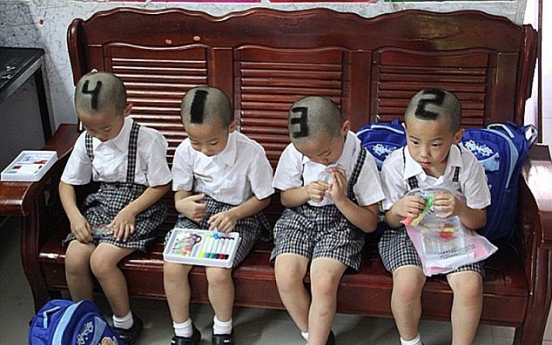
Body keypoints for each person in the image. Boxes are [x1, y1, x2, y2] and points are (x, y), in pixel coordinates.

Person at [60, 71, 172, 345]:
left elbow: (161, 185)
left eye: (106, 128)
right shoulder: (86, 141)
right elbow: (66, 184)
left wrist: (130, 210)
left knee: (101, 261)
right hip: (103, 203)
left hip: (142, 206)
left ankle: (125, 322)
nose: (99, 135)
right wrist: (75, 217)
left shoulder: (146, 139)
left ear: (127, 110)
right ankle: (86, 320)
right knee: (75, 257)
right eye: (89, 127)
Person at [378, 88, 492, 345]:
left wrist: (460, 209)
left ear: (456, 137)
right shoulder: (396, 165)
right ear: (405, 130)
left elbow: (479, 219)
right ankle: (410, 341)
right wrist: (398, 209)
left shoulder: (468, 165)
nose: (424, 154)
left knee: (471, 285)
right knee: (406, 284)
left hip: (454, 230)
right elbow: (389, 220)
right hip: (407, 234)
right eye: (414, 141)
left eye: (436, 144)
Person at [164, 86, 274, 345]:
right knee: (172, 267)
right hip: (198, 212)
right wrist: (183, 206)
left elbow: (264, 197)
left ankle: (223, 330)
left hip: (241, 215)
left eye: (213, 142)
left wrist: (234, 214)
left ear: (232, 126)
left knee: (217, 270)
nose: (204, 149)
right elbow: (180, 194)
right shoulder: (184, 151)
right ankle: (183, 331)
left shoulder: (251, 152)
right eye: (195, 141)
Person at [271, 96, 384, 345]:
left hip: (342, 224)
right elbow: (286, 199)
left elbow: (369, 223)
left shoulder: (360, 158)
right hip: (299, 217)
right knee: (286, 274)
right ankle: (312, 333)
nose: (319, 161)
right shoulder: (297, 151)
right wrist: (304, 192)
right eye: (309, 156)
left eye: (325, 154)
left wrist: (342, 200)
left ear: (344, 128)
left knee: (323, 280)